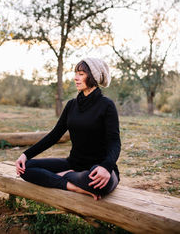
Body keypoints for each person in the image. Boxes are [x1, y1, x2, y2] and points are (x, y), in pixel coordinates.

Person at [15, 58, 121, 200]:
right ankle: (71, 183)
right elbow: (54, 135)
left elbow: (114, 141)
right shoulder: (72, 105)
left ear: (93, 77)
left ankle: (66, 176)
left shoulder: (106, 105)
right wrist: (26, 155)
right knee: (25, 168)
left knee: (99, 184)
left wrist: (106, 167)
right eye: (76, 73)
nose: (76, 78)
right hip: (73, 163)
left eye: (81, 74)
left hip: (98, 168)